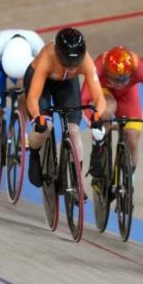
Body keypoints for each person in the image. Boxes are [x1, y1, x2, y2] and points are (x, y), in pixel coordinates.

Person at [25, 27, 106, 188]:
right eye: (68, 63)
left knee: (74, 130)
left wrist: (98, 115)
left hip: (66, 84)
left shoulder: (86, 61)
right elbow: (33, 97)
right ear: (58, 55)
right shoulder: (48, 57)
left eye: (76, 64)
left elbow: (99, 97)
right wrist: (37, 116)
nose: (73, 67)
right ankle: (34, 157)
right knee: (45, 127)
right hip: (42, 83)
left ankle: (78, 184)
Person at [81, 45, 143, 178]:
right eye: (115, 79)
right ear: (107, 72)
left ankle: (128, 177)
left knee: (132, 138)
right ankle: (97, 149)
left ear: (132, 73)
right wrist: (93, 126)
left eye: (123, 79)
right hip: (104, 91)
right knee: (108, 107)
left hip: (128, 94)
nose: (119, 83)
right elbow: (83, 100)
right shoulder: (98, 66)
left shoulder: (141, 69)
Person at [0, 29, 45, 172]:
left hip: (24, 66)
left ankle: (22, 128)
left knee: (27, 93)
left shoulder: (38, 45)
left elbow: (46, 71)